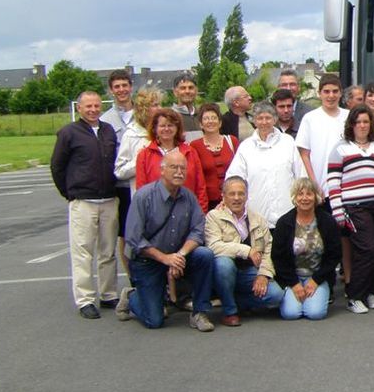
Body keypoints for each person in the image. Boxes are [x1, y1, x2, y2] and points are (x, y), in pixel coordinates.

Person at [117, 150, 216, 332]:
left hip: (177, 257)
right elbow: (133, 239)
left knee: (205, 255)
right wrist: (164, 258)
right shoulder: (143, 197)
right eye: (173, 167)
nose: (179, 172)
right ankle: (132, 296)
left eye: (183, 168)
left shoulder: (189, 197)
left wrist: (180, 255)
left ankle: (200, 312)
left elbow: (198, 231)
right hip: (148, 260)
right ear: (162, 170)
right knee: (154, 320)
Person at [51, 91, 119, 319]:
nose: (93, 110)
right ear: (79, 108)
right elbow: (57, 166)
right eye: (88, 106)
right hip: (83, 201)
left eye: (96, 105)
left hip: (109, 200)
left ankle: (108, 294)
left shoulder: (108, 130)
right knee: (83, 252)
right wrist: (69, 192)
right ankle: (85, 299)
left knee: (108, 251)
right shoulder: (69, 133)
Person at [327, 106, 374, 313]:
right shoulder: (340, 149)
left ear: (371, 124)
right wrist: (338, 211)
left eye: (366, 122)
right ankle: (354, 296)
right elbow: (333, 181)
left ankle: (370, 293)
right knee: (366, 249)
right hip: (355, 207)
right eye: (358, 122)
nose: (362, 125)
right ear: (351, 124)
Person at [204, 175, 284, 326]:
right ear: (223, 196)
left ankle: (235, 301)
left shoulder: (258, 219)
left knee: (277, 296)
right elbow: (213, 246)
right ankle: (230, 312)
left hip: (249, 272)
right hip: (225, 272)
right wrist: (246, 250)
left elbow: (268, 249)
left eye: (241, 193)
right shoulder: (213, 217)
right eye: (232, 194)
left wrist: (263, 275)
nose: (237, 198)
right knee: (223, 265)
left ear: (247, 196)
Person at [225, 102, 307, 227]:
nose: (264, 122)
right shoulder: (246, 147)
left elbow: (300, 175)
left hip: (287, 211)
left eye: (268, 118)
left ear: (275, 119)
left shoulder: (288, 142)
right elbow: (234, 178)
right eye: (260, 118)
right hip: (257, 214)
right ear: (254, 121)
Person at [271, 178, 342, 321]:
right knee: (291, 314)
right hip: (292, 277)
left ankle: (319, 296)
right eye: (300, 194)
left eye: (309, 194)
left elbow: (335, 255)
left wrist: (316, 280)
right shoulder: (284, 223)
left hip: (317, 277)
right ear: (294, 197)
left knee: (315, 314)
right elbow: (278, 258)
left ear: (316, 197)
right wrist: (294, 283)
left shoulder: (327, 221)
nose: (304, 198)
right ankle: (293, 297)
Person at [135, 108, 208, 212]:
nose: (166, 129)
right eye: (162, 126)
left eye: (170, 125)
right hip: (156, 214)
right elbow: (141, 190)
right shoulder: (144, 155)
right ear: (155, 128)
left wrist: (201, 214)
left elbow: (200, 187)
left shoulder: (190, 152)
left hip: (187, 212)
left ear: (177, 128)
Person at [100, 69, 136, 270]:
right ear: (111, 91)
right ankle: (133, 280)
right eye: (117, 87)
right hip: (121, 185)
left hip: (144, 182)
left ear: (131, 87)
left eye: (125, 85)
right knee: (125, 233)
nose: (121, 90)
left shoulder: (143, 113)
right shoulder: (105, 120)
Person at [295, 73, 348, 201]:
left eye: (335, 91)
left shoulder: (349, 116)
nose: (331, 96)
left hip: (345, 188)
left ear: (341, 93)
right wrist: (314, 185)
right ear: (319, 93)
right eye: (326, 92)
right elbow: (304, 155)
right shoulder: (310, 118)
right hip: (321, 189)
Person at [189, 102, 239, 211]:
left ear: (220, 122)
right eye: (206, 119)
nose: (210, 121)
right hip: (209, 203)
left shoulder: (232, 141)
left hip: (233, 199)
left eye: (214, 118)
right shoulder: (194, 145)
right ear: (201, 124)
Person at [114, 87, 162, 196]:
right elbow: (119, 172)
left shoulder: (164, 132)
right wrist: (139, 160)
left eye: (160, 104)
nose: (160, 108)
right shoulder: (131, 135)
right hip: (142, 196)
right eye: (155, 105)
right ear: (143, 108)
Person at [171, 72, 201, 139]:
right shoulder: (170, 116)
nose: (187, 91)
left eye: (191, 88)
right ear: (175, 92)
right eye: (183, 88)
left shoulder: (202, 115)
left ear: (196, 91)